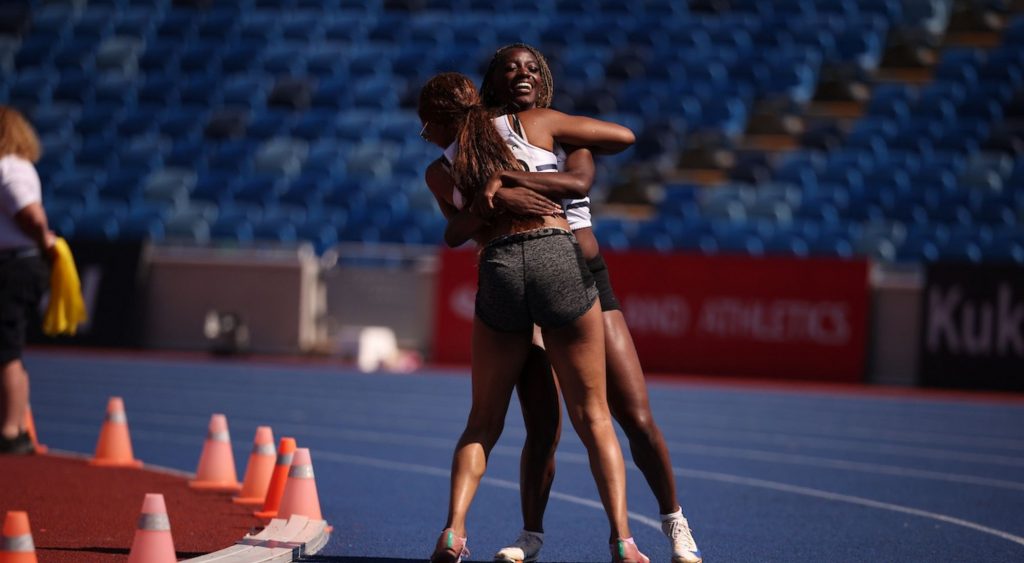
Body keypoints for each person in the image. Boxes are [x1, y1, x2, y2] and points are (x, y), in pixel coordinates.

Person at [479, 44, 702, 563]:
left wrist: (512, 180)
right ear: (493, 78)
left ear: (546, 79)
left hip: (586, 279)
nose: (522, 75)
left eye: (532, 68)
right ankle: (530, 535)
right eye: (510, 68)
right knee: (543, 425)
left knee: (634, 415)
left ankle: (675, 524)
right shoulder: (483, 139)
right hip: (527, 278)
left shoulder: (563, 129)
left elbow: (581, 178)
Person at [419, 73, 649, 563]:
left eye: (425, 128)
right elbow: (623, 138)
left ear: (439, 122)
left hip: (499, 265)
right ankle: (623, 540)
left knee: (481, 423)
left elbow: (455, 233)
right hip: (554, 255)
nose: (426, 137)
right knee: (593, 414)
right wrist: (507, 188)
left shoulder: (439, 171)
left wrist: (489, 201)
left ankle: (453, 532)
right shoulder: (532, 121)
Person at [0, 106, 56, 454]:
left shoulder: (9, 168)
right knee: (10, 347)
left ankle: (10, 430)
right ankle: (16, 425)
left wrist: (42, 237)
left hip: (13, 265)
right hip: (20, 263)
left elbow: (30, 213)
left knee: (5, 350)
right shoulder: (21, 167)